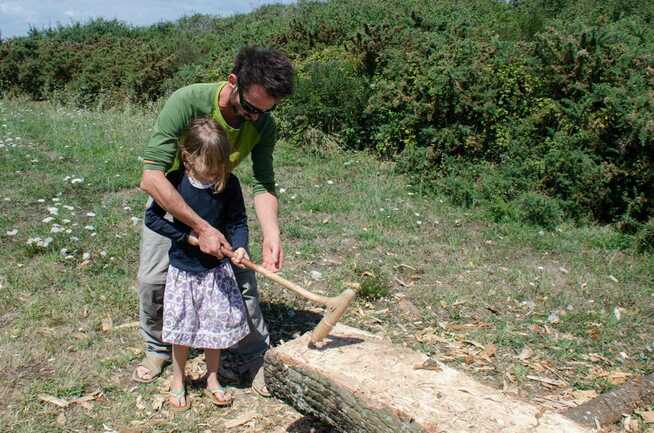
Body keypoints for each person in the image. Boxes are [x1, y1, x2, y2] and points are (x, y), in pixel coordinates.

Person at [133, 46, 295, 397]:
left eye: (266, 111)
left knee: (243, 279)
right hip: (172, 196)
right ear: (233, 82)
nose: (255, 118)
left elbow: (264, 184)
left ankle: (255, 357)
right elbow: (152, 177)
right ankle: (158, 348)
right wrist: (198, 229)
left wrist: (271, 233)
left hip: (220, 198)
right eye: (250, 107)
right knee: (153, 280)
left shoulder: (263, 124)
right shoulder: (187, 101)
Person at [144, 117, 250, 410]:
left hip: (216, 272)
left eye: (222, 164)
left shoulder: (228, 183)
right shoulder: (175, 182)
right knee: (182, 330)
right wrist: (190, 237)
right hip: (184, 271)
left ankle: (212, 378)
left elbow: (238, 221)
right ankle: (178, 378)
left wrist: (239, 247)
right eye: (210, 164)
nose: (217, 171)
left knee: (213, 330)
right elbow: (151, 218)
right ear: (187, 157)